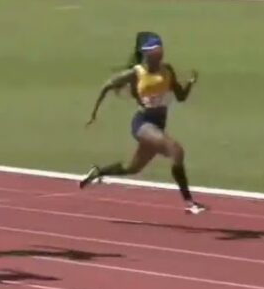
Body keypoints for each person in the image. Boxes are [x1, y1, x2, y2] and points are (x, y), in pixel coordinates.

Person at [79, 32, 206, 214]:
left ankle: (98, 172)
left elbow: (180, 97)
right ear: (146, 54)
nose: (159, 56)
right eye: (155, 53)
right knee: (176, 150)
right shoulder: (136, 73)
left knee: (133, 168)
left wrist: (190, 84)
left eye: (160, 52)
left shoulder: (167, 70)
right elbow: (107, 85)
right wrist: (94, 114)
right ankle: (190, 203)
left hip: (158, 125)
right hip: (143, 124)